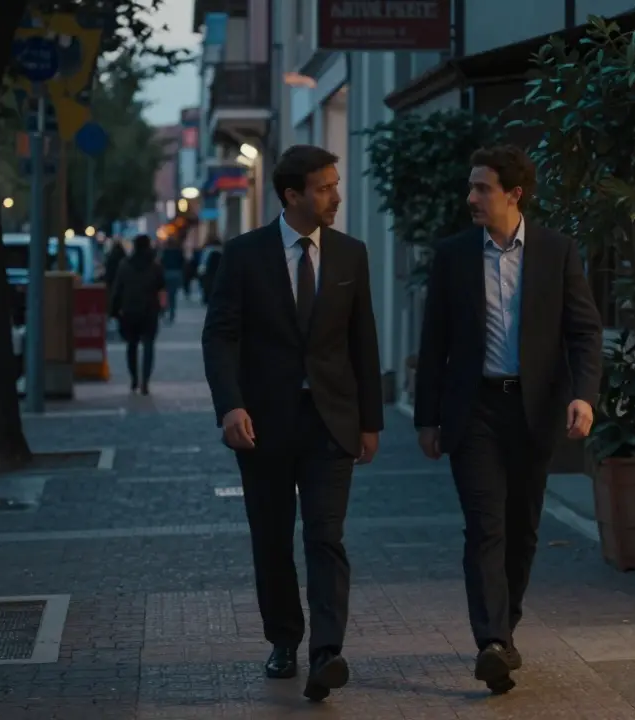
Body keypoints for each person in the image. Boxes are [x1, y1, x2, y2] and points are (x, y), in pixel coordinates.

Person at [413, 145, 603, 695]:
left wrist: (584, 396)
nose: (471, 198)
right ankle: (492, 642)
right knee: (484, 526)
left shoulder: (556, 251)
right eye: (471, 188)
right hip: (474, 411)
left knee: (521, 529)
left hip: (533, 410)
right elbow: (435, 341)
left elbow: (584, 332)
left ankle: (506, 625)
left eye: (482, 189)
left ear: (514, 195)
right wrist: (428, 418)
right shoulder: (453, 256)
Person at [202, 144, 383, 703]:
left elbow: (363, 342)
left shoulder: (351, 255)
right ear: (292, 195)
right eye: (326, 186)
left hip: (330, 421)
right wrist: (230, 405)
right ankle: (284, 637)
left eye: (335, 184)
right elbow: (220, 335)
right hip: (264, 423)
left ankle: (327, 651)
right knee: (273, 539)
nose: (337, 195)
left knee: (326, 537)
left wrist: (370, 421)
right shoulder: (244, 254)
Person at [110, 234, 166, 395]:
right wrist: (162, 308)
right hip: (149, 311)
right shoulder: (155, 266)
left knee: (131, 345)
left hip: (129, 311)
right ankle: (145, 381)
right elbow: (161, 288)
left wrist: (114, 309)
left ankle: (134, 378)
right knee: (148, 346)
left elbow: (117, 289)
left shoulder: (125, 265)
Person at [159, 239, 186, 324]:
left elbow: (161, 262)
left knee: (165, 294)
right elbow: (182, 262)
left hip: (166, 274)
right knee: (173, 295)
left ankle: (164, 311)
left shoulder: (165, 252)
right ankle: (172, 314)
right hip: (176, 274)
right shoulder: (179, 251)